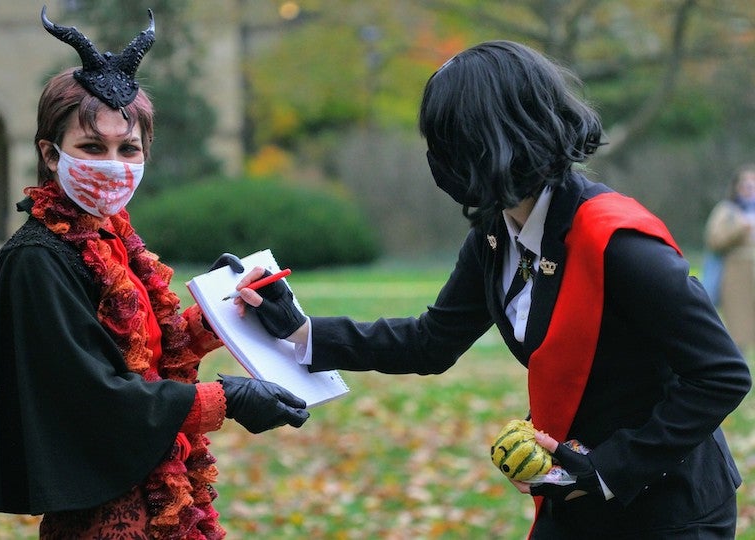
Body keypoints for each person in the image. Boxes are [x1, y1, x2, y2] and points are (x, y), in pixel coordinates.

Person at [232, 41, 751, 538]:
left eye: (447, 140)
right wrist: (300, 331)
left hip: (668, 512)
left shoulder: (618, 243)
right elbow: (429, 342)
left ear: (497, 138)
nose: (438, 158)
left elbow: (721, 375)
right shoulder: (493, 233)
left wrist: (606, 469)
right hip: (571, 499)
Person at [0, 8, 309, 540]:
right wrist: (224, 401)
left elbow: (148, 354)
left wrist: (223, 310)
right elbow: (93, 396)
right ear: (50, 154)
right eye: (92, 148)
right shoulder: (37, 257)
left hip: (161, 487)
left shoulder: (110, 236)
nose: (114, 165)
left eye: (129, 148)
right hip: (101, 516)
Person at [704, 163, 755, 352]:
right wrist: (739, 228)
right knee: (737, 329)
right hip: (736, 276)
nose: (750, 188)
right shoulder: (727, 210)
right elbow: (714, 240)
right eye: (746, 183)